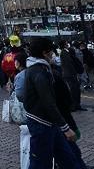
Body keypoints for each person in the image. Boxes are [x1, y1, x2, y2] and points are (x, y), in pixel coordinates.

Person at [23, 37, 85, 169]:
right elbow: (48, 102)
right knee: (41, 163)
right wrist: (66, 127)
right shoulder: (38, 72)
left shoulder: (42, 69)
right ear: (44, 53)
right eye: (51, 52)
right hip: (41, 123)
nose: (53, 55)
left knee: (68, 158)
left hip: (49, 122)